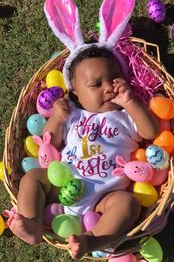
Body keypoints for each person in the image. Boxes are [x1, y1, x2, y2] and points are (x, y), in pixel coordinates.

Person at [9, 44, 159, 259]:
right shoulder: (73, 115)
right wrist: (56, 118)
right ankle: (32, 223)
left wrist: (131, 102)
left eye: (114, 78)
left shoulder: (126, 116)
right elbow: (49, 141)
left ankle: (92, 240)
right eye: (96, 84)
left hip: (105, 198)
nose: (108, 87)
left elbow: (150, 131)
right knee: (33, 176)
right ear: (76, 93)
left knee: (129, 204)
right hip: (62, 186)